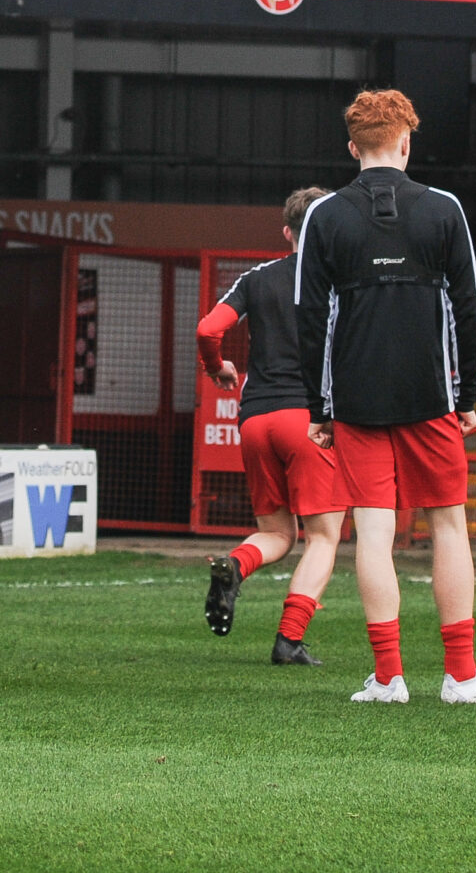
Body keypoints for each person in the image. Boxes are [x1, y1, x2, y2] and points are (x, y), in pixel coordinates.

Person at [295, 89, 476, 707]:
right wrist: (468, 395)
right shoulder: (444, 210)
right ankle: (461, 675)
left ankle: (390, 677)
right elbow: (468, 307)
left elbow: (310, 316)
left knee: (372, 530)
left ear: (352, 148)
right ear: (405, 141)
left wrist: (319, 407)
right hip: (432, 392)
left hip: (356, 395)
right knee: (448, 524)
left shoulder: (324, 216)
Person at [194, 185, 343, 665]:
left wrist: (217, 367)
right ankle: (289, 640)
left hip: (256, 417)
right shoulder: (340, 280)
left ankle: (235, 566)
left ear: (287, 231)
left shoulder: (257, 278)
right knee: (324, 535)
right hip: (310, 419)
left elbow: (208, 329)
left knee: (278, 533)